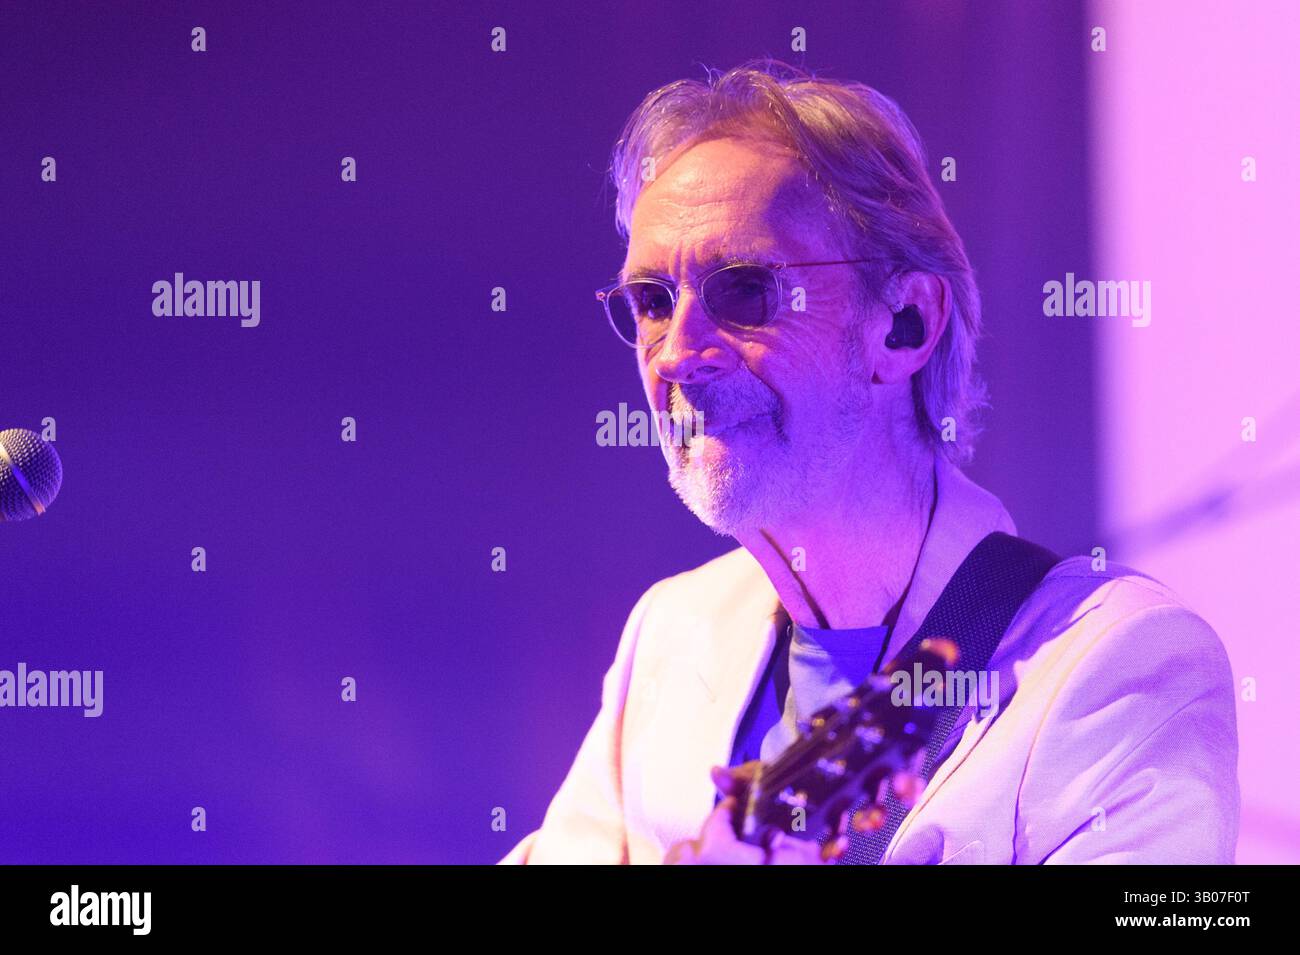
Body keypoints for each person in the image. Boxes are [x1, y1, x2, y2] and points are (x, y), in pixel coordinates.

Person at [500, 60, 1238, 865]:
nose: (677, 354)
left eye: (743, 291)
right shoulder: (669, 635)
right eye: (651, 301)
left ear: (905, 325)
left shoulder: (1120, 666)